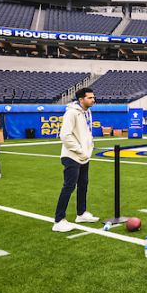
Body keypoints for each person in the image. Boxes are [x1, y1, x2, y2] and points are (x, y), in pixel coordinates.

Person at [52, 88, 98, 232]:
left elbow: (86, 132)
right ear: (81, 100)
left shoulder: (87, 112)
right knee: (69, 186)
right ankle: (58, 221)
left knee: (83, 185)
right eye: (90, 98)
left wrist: (88, 147)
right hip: (72, 155)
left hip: (84, 156)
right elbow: (65, 135)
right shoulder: (71, 113)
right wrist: (79, 150)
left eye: (93, 97)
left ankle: (81, 213)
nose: (93, 100)